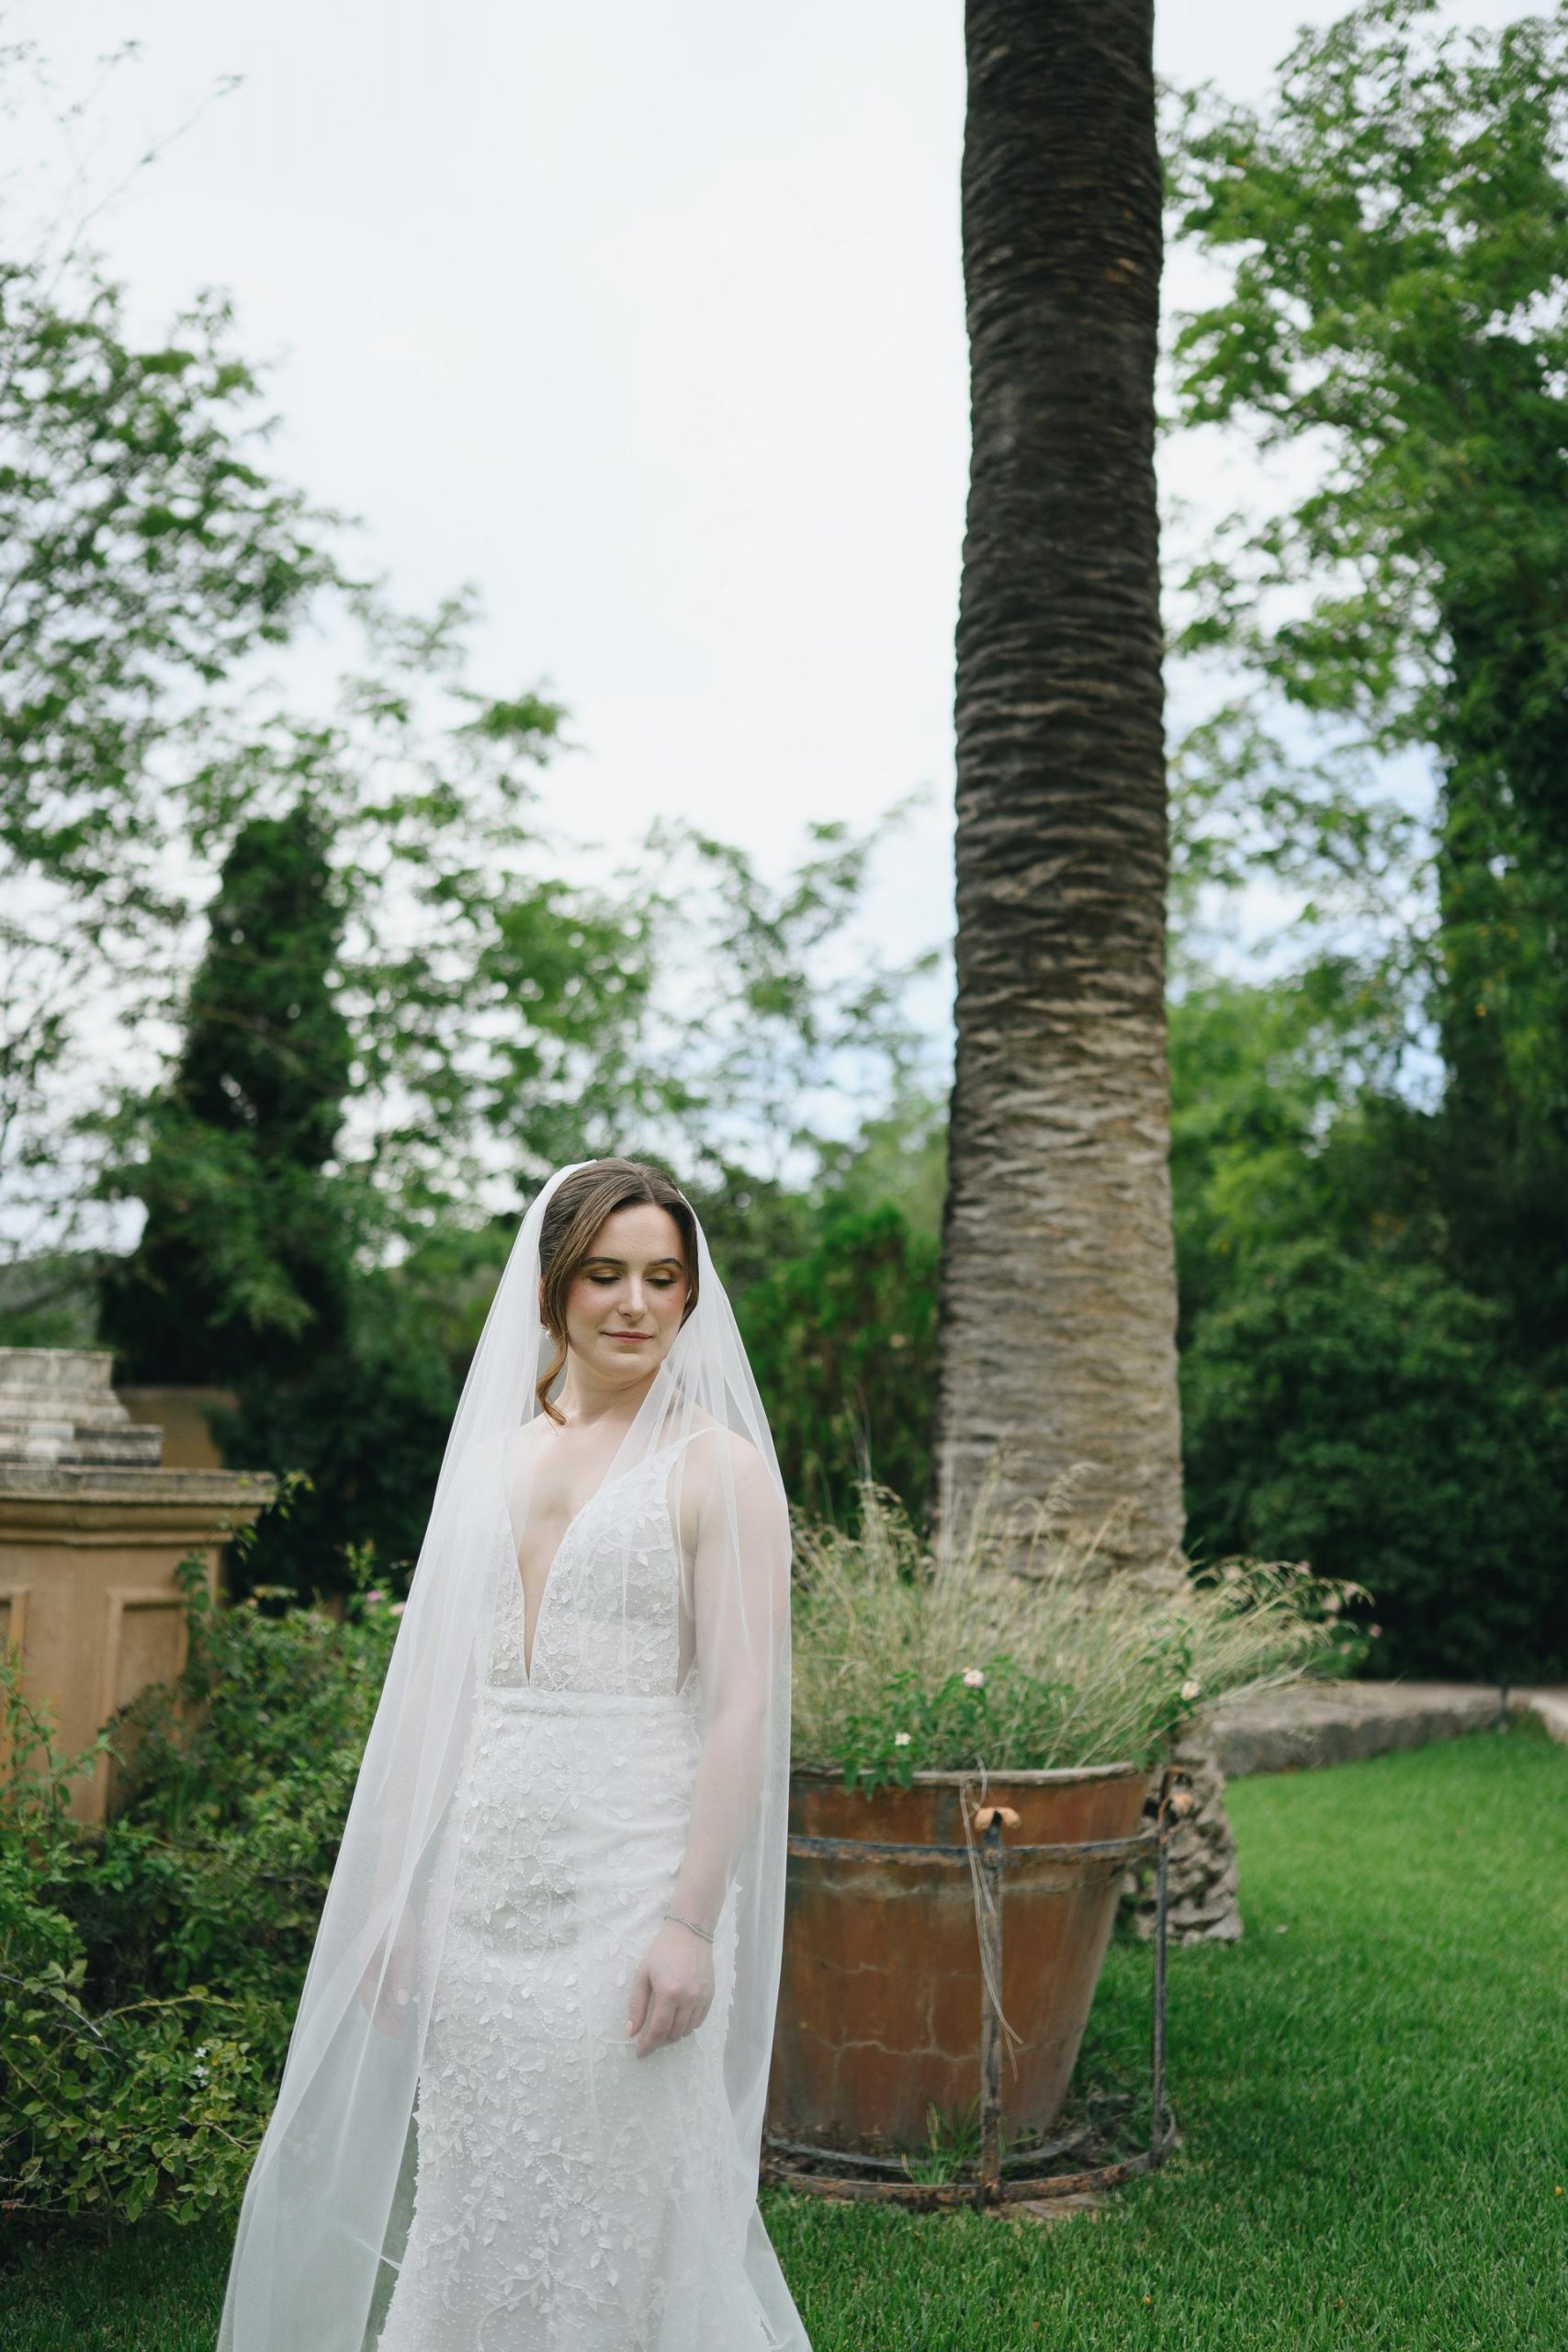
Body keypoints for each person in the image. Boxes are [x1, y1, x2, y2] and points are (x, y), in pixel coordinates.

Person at [218, 1159, 809, 2352]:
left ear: (693, 1298)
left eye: (662, 1278)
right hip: (481, 1903)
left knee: (624, 2219)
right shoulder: (490, 1461)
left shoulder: (719, 1472)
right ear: (553, 1289)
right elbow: (440, 1697)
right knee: (473, 2213)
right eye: (606, 1275)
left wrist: (691, 1924)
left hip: (636, 1889)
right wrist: (398, 1895)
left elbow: (742, 1707)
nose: (636, 1304)